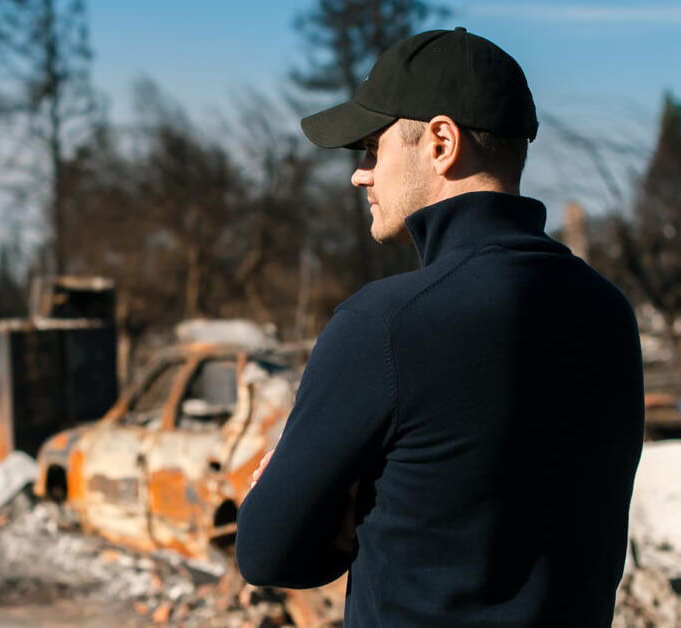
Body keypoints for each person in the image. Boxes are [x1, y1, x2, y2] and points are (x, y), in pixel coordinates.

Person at [234, 28, 644, 627]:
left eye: (372, 149)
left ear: (441, 142)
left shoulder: (385, 325)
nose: (360, 174)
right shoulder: (608, 313)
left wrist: (328, 498)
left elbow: (267, 551)